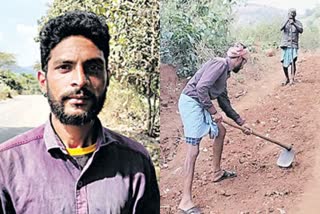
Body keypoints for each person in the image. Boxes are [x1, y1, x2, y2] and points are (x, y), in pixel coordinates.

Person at [0, 11, 159, 213]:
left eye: (92, 67)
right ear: (43, 81)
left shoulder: (137, 163)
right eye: (65, 67)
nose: (81, 80)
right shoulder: (7, 164)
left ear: (107, 78)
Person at [177, 43, 251, 214]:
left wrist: (241, 122)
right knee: (193, 150)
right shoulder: (219, 64)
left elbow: (224, 101)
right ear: (239, 59)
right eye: (244, 62)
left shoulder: (225, 72)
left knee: (221, 131)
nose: (244, 65)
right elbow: (201, 88)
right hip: (191, 103)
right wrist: (213, 111)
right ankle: (185, 202)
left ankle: (217, 172)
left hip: (201, 103)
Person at [280, 8, 303, 85]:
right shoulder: (285, 22)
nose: (291, 15)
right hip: (285, 45)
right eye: (289, 13)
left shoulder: (298, 23)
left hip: (294, 45)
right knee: (284, 63)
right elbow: (281, 28)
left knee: (293, 61)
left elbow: (301, 30)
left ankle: (292, 78)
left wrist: (294, 23)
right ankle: (287, 78)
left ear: (295, 15)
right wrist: (288, 21)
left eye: (292, 14)